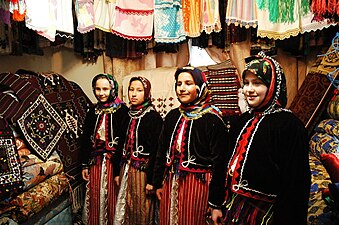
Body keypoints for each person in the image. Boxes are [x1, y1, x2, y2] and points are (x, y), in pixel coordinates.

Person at [217, 52, 311, 225]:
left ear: (273, 85)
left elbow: (296, 184)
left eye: (257, 83)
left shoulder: (289, 126)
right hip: (234, 207)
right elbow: (223, 162)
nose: (249, 89)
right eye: (246, 83)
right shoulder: (242, 121)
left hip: (267, 214)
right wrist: (216, 203)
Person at [152, 66, 228, 225]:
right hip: (171, 181)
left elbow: (220, 164)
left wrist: (215, 203)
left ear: (200, 87)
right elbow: (161, 150)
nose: (182, 88)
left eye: (188, 83)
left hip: (198, 186)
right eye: (179, 84)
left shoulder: (213, 120)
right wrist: (158, 182)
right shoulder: (173, 116)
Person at [81, 73, 129, 225]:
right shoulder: (92, 111)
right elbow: (86, 140)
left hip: (113, 162)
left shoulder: (122, 111)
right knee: (96, 194)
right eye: (97, 89)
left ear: (112, 89)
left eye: (105, 89)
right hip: (95, 162)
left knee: (113, 195)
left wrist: (118, 167)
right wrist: (84, 164)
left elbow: (124, 141)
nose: (101, 93)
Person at [114, 76, 163, 225]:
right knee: (126, 204)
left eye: (139, 90)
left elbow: (157, 151)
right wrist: (117, 172)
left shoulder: (154, 118)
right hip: (126, 169)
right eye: (131, 89)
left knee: (142, 208)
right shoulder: (126, 115)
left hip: (143, 172)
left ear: (146, 93)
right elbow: (119, 144)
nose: (133, 94)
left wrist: (152, 181)